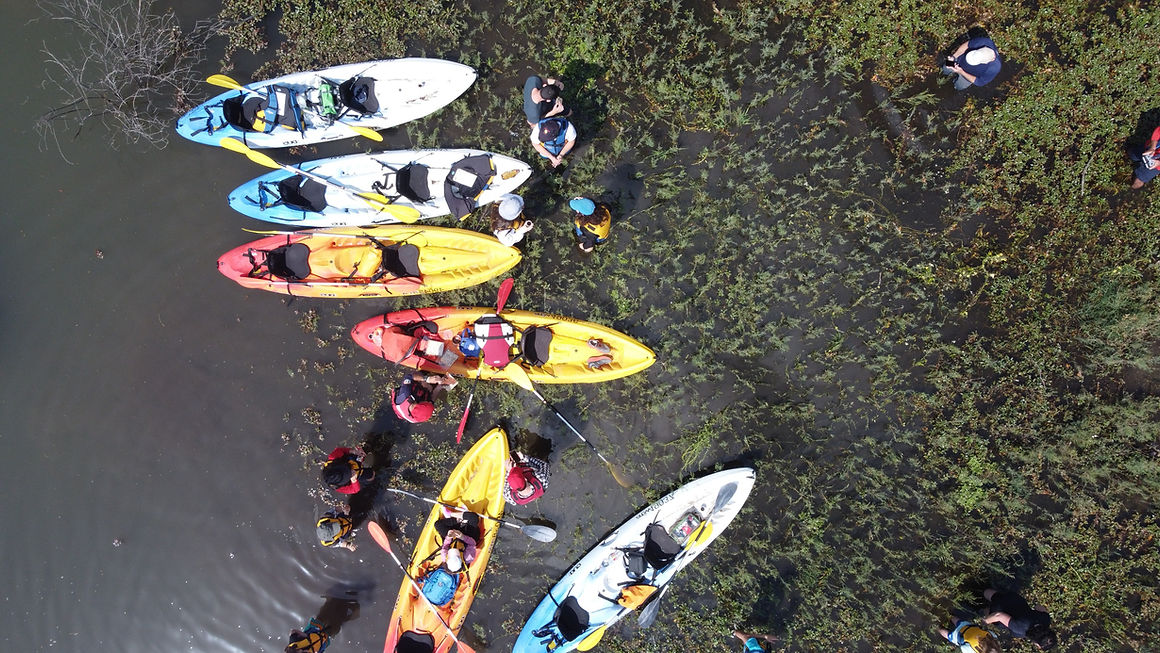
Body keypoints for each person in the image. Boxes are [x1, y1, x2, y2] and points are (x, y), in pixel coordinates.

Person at [983, 589, 1057, 649]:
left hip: (1013, 599)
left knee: (992, 594)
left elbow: (1038, 606)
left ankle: (984, 590)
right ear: (1036, 642)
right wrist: (985, 622)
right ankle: (983, 607)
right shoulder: (1021, 628)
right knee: (987, 611)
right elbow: (998, 615)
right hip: (1000, 608)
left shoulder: (1046, 620)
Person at [391, 372, 457, 423]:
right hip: (411, 404)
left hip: (405, 398)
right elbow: (431, 401)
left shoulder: (405, 394)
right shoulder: (420, 414)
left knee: (427, 385)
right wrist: (439, 387)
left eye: (427, 402)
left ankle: (424, 380)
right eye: (427, 402)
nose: (428, 401)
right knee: (429, 388)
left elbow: (408, 376)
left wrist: (427, 379)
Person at [1128, 125, 1160, 189]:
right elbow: (1158, 132)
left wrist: (1159, 163)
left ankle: (1131, 188)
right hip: (1149, 149)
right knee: (1131, 154)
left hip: (1156, 165)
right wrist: (1152, 147)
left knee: (1139, 181)